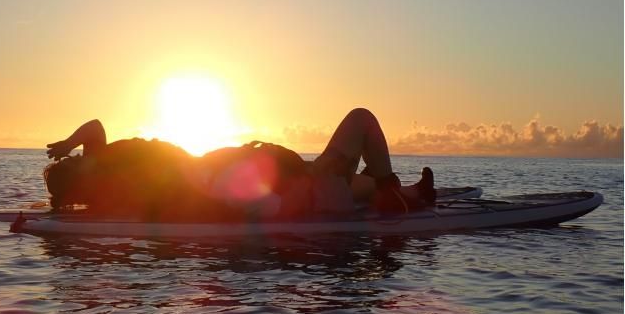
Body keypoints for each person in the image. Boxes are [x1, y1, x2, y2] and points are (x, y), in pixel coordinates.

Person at [44, 108, 435, 217]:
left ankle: (409, 193)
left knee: (344, 186)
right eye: (75, 161)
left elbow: (94, 127)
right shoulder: (114, 189)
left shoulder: (98, 162)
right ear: (77, 179)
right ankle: (389, 193)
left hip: (303, 184)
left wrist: (68, 142)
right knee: (361, 119)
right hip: (304, 190)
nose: (81, 155)